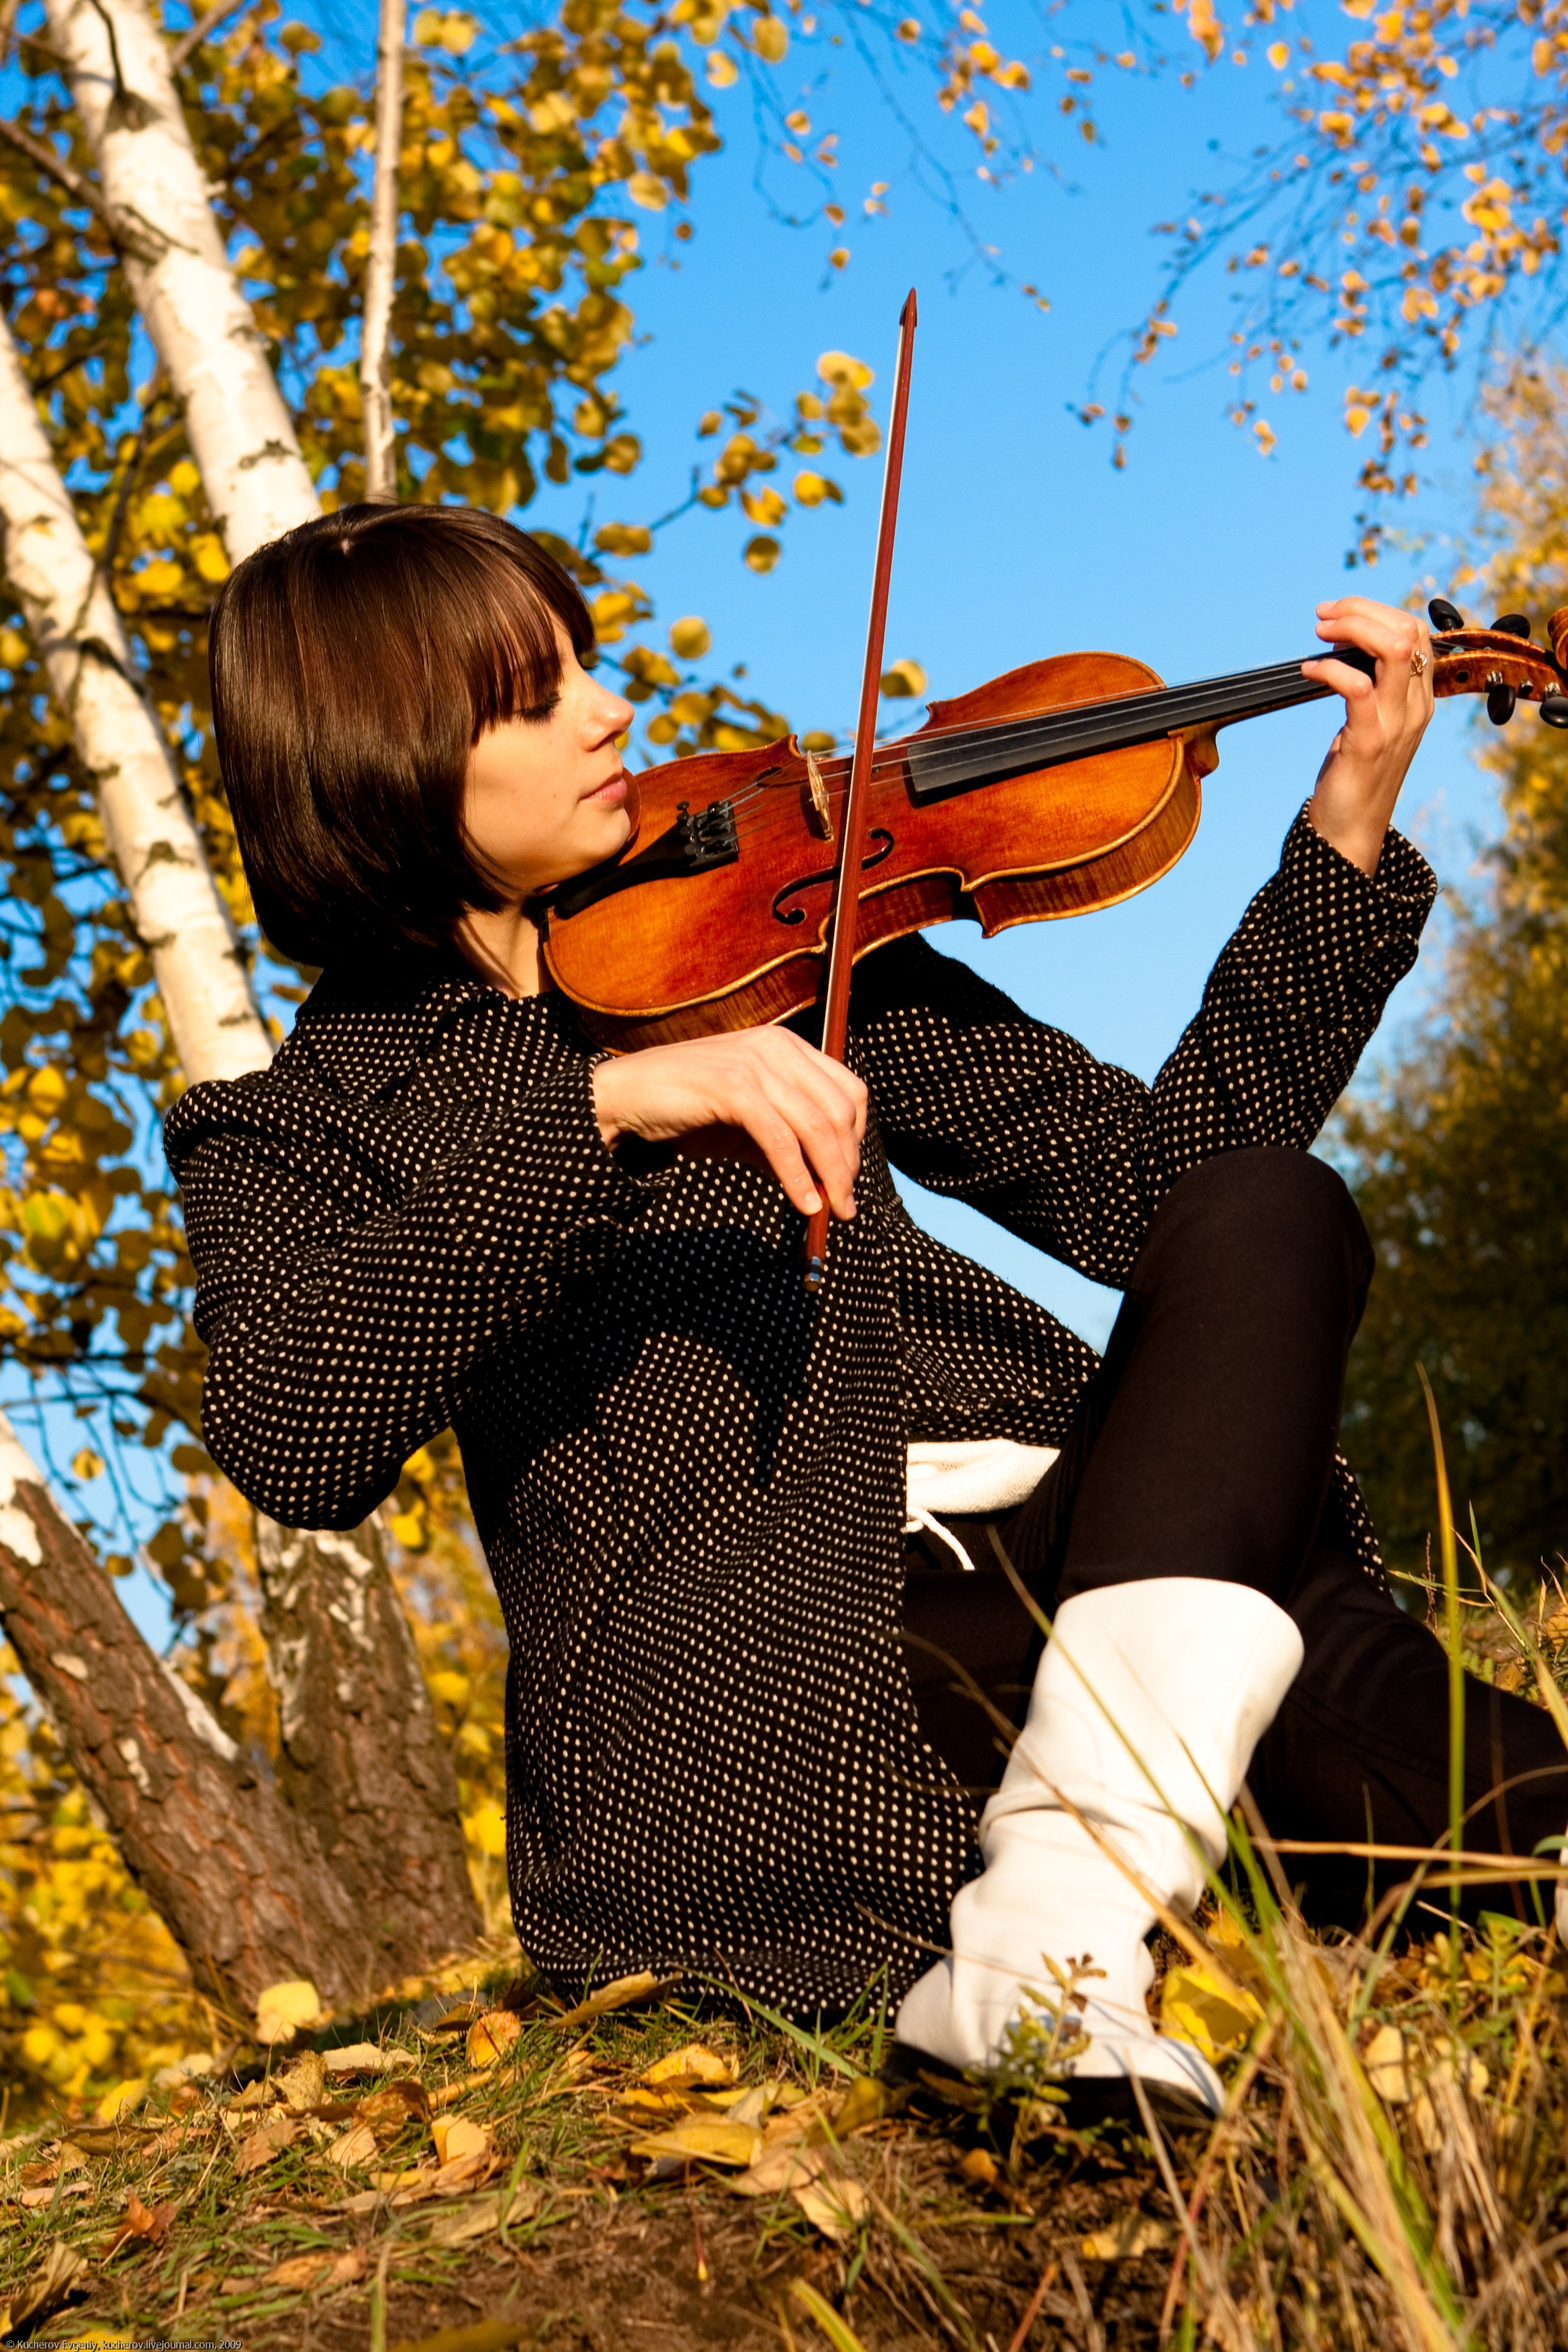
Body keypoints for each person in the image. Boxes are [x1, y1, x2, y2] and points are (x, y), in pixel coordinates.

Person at [167, 501, 1568, 2117]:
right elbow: (291, 1424)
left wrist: (1339, 836)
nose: (611, 710)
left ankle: (1055, 1914)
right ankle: (1056, 1943)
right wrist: (610, 1112)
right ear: (382, 758)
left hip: (1115, 1567)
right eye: (535, 694)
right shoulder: (297, 1127)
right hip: (811, 1675)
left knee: (1270, 1216)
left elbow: (1150, 1189)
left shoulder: (773, 934)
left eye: (589, 666)